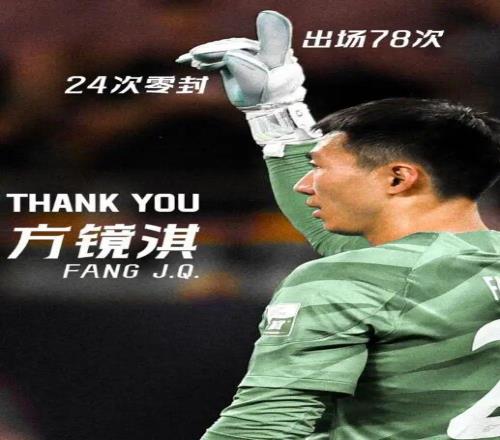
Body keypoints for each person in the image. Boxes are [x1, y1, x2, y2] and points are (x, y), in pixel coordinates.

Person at [178, 10, 500, 440]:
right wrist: (275, 111)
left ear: (398, 178)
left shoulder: (353, 279)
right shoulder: (417, 272)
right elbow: (385, 265)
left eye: (319, 168)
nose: (305, 184)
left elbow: (262, 426)